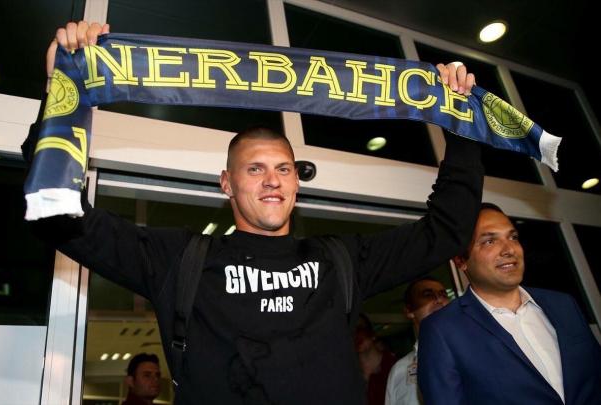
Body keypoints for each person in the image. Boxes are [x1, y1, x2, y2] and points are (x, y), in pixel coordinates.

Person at [30, 21, 482, 404]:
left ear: (296, 183)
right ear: (227, 183)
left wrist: (459, 127)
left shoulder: (341, 261)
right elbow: (58, 214)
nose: (273, 180)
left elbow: (446, 230)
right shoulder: (180, 261)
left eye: (284, 168)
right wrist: (62, 94)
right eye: (255, 169)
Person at [418, 203, 601, 405]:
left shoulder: (564, 304)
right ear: (461, 261)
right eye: (489, 241)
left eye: (513, 237)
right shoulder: (441, 330)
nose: (509, 249)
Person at [385, 277, 449, 405]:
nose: (439, 299)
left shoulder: (473, 353)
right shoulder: (400, 370)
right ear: (409, 311)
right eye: (428, 295)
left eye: (443, 294)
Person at [354, 314, 396, 405]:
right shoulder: (348, 374)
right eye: (352, 331)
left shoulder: (395, 367)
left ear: (372, 334)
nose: (357, 335)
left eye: (361, 329)